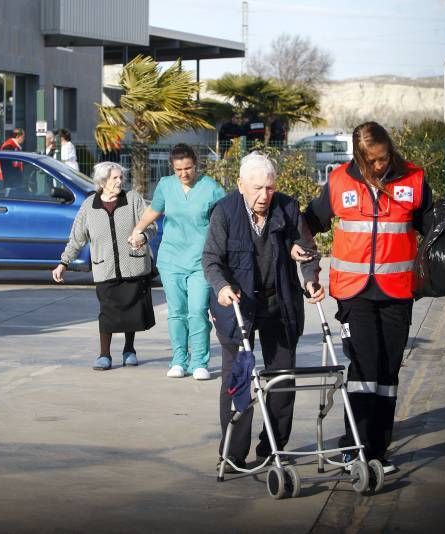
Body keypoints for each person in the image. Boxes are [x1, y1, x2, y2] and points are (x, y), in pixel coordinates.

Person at [302, 121, 433, 475]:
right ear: (359, 157)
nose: (379, 165)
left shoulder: (414, 180)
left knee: (388, 371)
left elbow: (432, 227)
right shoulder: (339, 181)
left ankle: (378, 450)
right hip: (354, 293)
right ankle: (353, 448)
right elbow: (309, 222)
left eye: (384, 157)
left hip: (397, 293)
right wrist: (301, 255)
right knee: (364, 368)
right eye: (371, 160)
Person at [202, 151, 324, 471]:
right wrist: (221, 286)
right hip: (238, 305)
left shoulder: (287, 207)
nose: (263, 195)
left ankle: (273, 448)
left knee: (282, 378)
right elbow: (211, 259)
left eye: (269, 188)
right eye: (256, 188)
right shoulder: (225, 211)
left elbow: (307, 250)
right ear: (241, 184)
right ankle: (233, 452)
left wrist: (310, 280)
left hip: (279, 303)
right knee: (239, 378)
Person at [128, 143, 225, 380]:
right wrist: (138, 230)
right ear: (172, 167)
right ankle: (179, 360)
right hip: (171, 259)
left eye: (188, 168)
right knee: (176, 312)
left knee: (197, 310)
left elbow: (225, 219)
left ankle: (199, 361)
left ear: (196, 164)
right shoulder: (166, 185)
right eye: (179, 169)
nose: (184, 174)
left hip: (201, 260)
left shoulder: (211, 188)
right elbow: (154, 210)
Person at [52, 162, 157, 371]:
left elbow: (151, 225)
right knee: (107, 313)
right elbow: (77, 238)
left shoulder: (133, 199)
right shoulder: (89, 205)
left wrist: (142, 236)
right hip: (104, 268)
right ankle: (104, 354)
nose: (120, 181)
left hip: (132, 264)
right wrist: (64, 262)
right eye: (115, 178)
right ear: (102, 181)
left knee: (132, 311)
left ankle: (129, 349)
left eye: (121, 177)